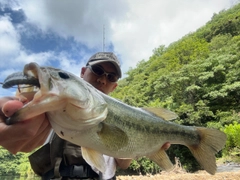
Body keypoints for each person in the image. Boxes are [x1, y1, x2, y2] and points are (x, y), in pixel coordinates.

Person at [0, 52, 170, 180]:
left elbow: (123, 164)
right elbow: (24, 102)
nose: (103, 80)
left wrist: (146, 146)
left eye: (111, 77)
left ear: (115, 86)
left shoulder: (126, 115)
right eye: (97, 70)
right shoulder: (54, 109)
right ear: (82, 72)